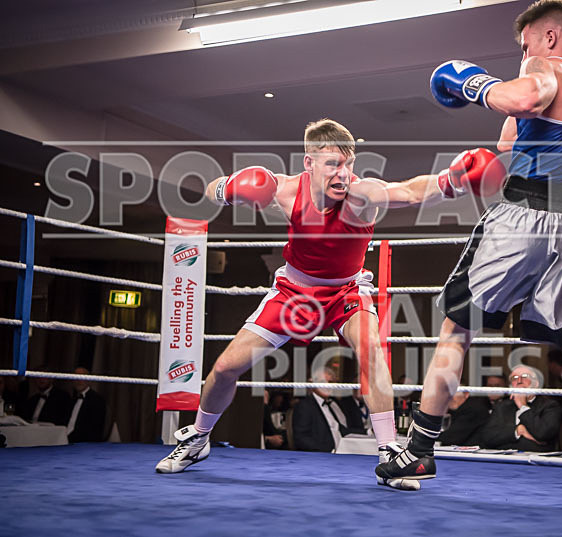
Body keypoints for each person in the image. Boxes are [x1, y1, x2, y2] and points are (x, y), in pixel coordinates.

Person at [376, 0, 562, 515]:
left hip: (524, 217)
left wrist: (473, 83)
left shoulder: (547, 67)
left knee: (456, 328)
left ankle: (420, 451)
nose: (524, 54)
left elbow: (524, 96)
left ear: (550, 37)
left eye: (526, 43)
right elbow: (512, 139)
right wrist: (494, 140)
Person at [155, 118, 504, 492]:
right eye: (332, 164)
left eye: (347, 164)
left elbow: (407, 191)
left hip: (346, 292)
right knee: (225, 366)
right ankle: (198, 438)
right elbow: (210, 190)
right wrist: (227, 189)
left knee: (372, 351)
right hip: (294, 291)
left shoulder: (361, 195)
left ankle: (389, 452)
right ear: (309, 162)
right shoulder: (284, 189)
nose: (342, 174)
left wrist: (450, 181)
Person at [480, 365, 561, 451]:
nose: (519, 381)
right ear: (511, 386)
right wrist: (518, 430)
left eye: (525, 377)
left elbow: (543, 434)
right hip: (505, 459)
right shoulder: (502, 406)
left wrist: (522, 406)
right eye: (514, 378)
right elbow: (487, 437)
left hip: (536, 460)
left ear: (536, 384)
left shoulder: (550, 406)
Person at [292, 368, 364, 452]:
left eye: (330, 382)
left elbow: (341, 430)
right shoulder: (305, 406)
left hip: (341, 452)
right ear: (313, 384)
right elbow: (301, 438)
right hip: (323, 457)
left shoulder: (329, 405)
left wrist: (368, 432)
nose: (327, 385)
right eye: (323, 382)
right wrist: (328, 450)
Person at [67, 367, 108, 443]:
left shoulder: (97, 400)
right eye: (76, 378)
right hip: (66, 441)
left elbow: (95, 430)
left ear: (89, 380)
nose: (78, 381)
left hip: (84, 445)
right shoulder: (71, 400)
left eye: (82, 377)